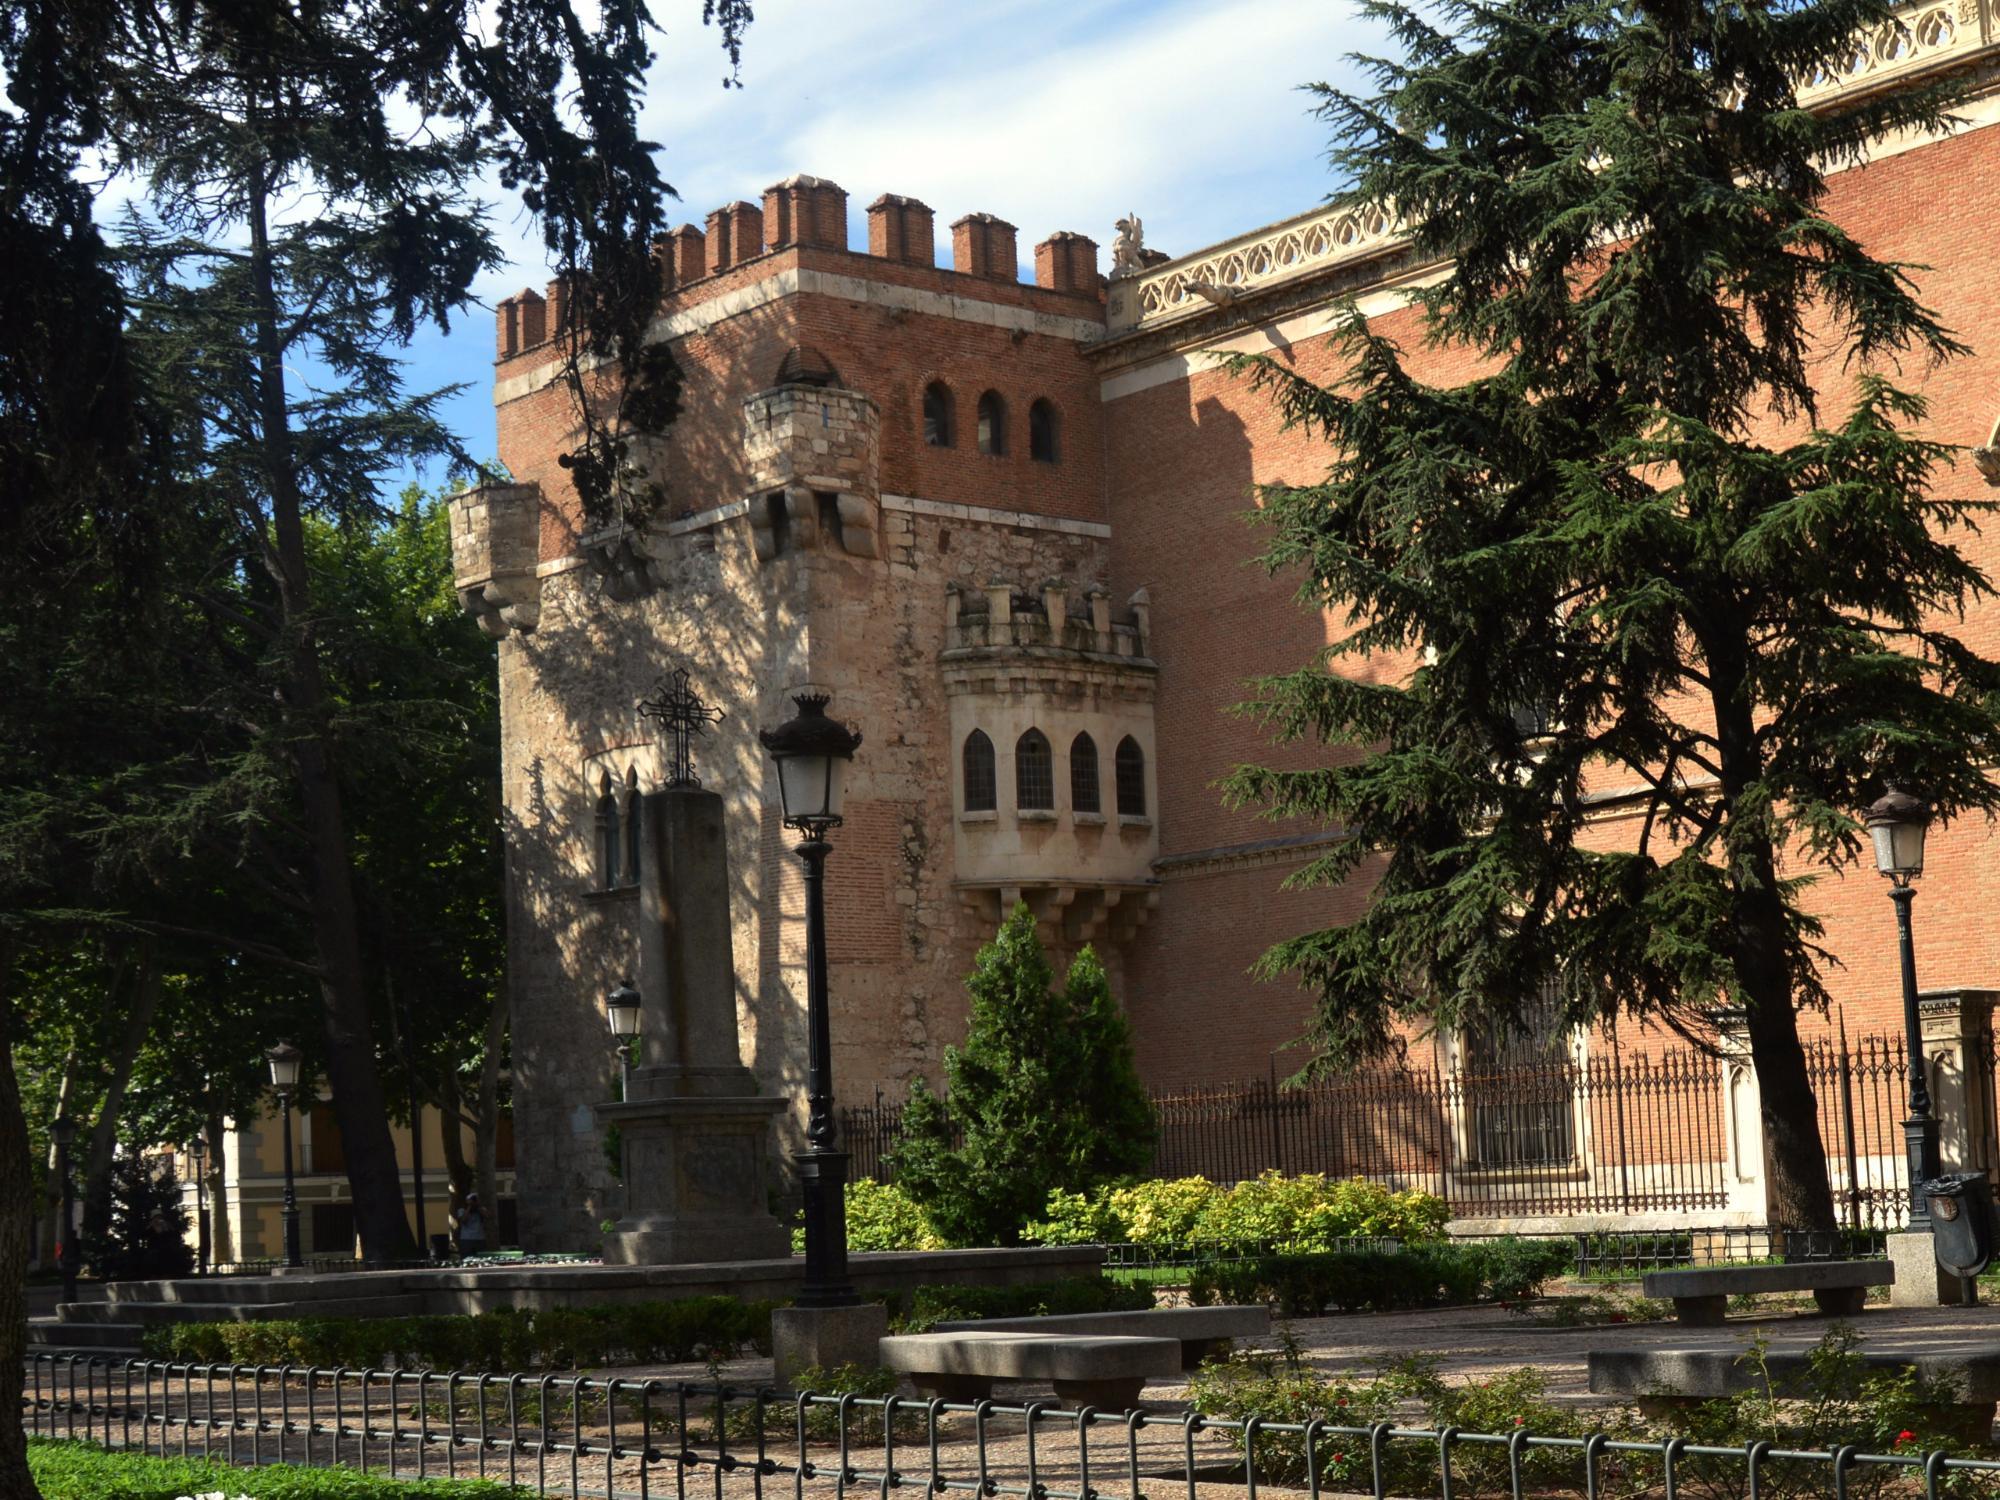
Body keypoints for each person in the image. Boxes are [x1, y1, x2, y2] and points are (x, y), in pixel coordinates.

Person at [452, 1192, 487, 1258]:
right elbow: (463, 1220)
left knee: (482, 1258)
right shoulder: (462, 1210)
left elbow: (487, 1216)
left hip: (480, 1239)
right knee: (466, 1258)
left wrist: (478, 1206)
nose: (473, 1202)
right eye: (472, 1200)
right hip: (466, 1239)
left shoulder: (481, 1209)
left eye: (475, 1200)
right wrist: (469, 1207)